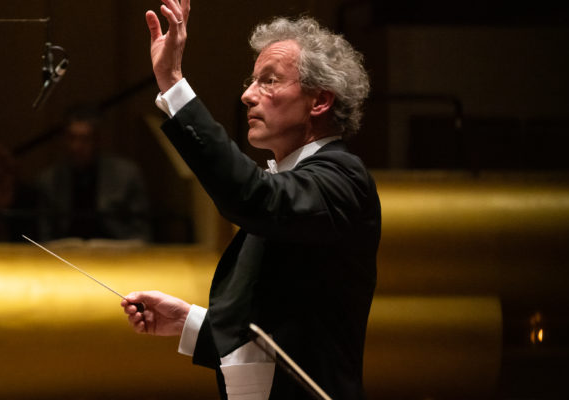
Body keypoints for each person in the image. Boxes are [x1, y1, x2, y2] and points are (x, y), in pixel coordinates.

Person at [121, 1, 380, 399]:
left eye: (269, 81)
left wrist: (174, 84)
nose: (246, 95)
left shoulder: (341, 179)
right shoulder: (292, 186)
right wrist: (186, 322)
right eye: (252, 80)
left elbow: (255, 198)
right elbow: (278, 328)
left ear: (320, 101)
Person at [36, 105, 151, 242]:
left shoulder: (126, 174)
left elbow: (141, 233)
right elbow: (44, 236)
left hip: (116, 255)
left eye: (84, 139)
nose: (76, 146)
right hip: (65, 257)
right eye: (72, 138)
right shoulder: (49, 179)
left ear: (97, 141)